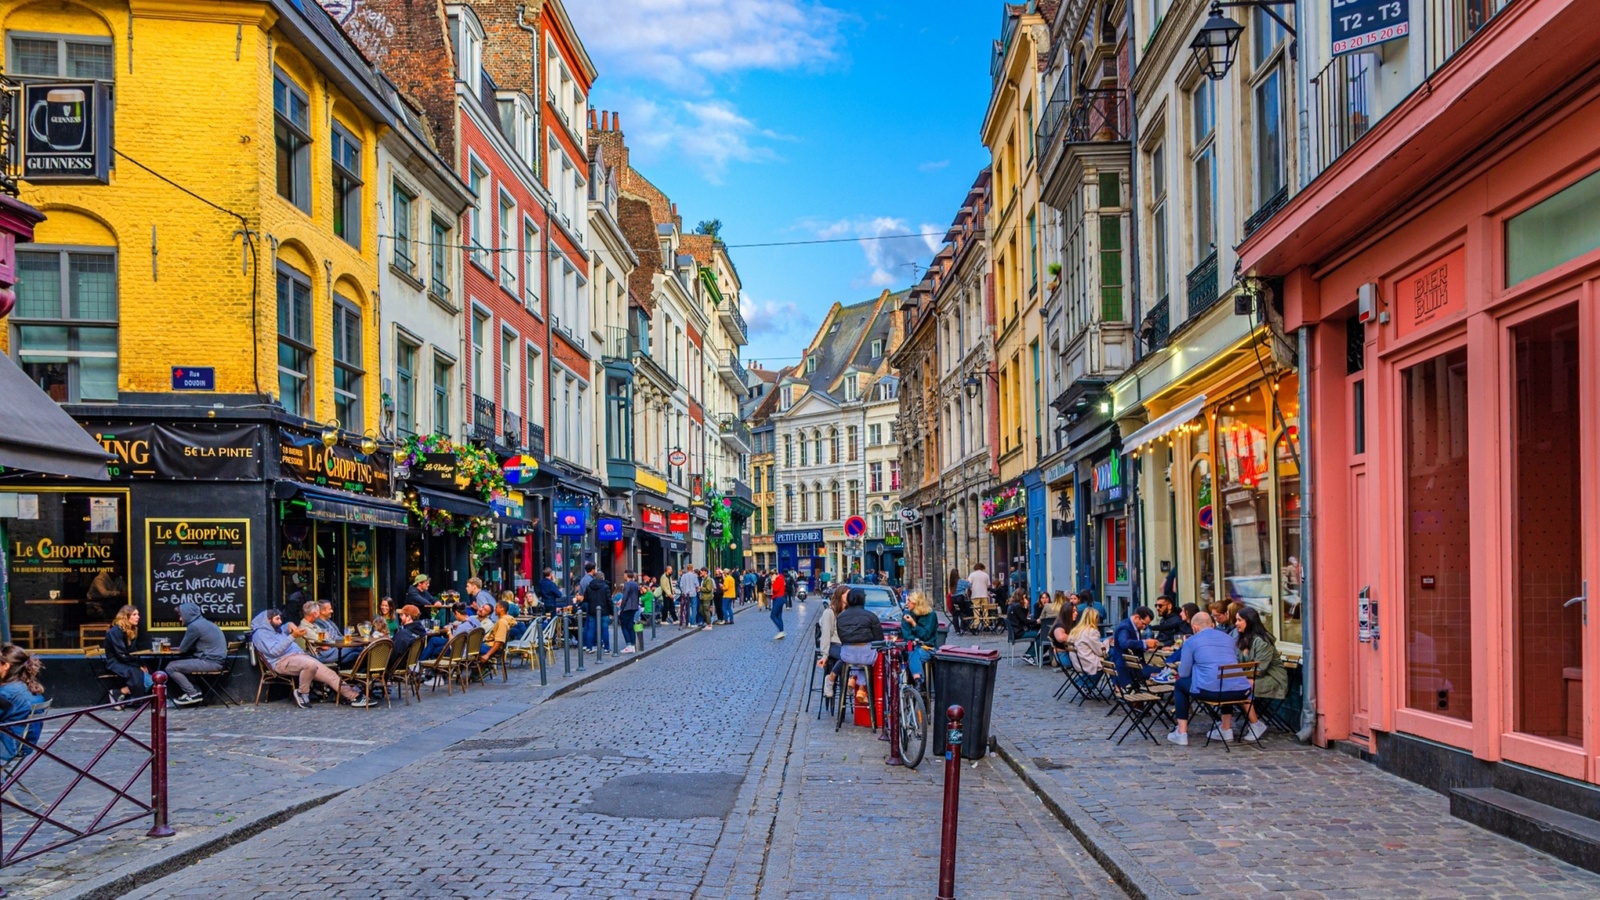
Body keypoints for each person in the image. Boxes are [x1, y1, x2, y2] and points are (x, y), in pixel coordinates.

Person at [249, 610, 371, 708]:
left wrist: (290, 624)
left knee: (330, 674)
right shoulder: (260, 635)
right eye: (277, 619)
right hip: (281, 661)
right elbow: (274, 651)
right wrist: (292, 637)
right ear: (268, 621)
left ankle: (354, 696)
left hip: (299, 656)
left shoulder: (276, 629)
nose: (280, 622)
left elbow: (286, 626)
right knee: (310, 665)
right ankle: (302, 693)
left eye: (280, 618)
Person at [1167, 612, 1250, 745]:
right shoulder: (1229, 638)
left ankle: (1181, 732)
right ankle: (1226, 728)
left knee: (1180, 684)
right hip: (1239, 691)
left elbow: (1183, 673)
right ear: (1212, 625)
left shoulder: (1191, 641)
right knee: (1225, 680)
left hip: (1210, 692)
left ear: (1194, 627)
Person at [1235, 607, 1284, 742]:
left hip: (1272, 679)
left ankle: (1256, 724)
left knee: (1240, 686)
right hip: (1250, 677)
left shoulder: (1262, 641)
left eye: (1239, 620)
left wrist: (1238, 676)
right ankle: (1224, 725)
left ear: (1249, 621)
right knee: (1230, 684)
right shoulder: (1243, 639)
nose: (1236, 623)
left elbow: (1260, 669)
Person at [166, 601, 227, 707]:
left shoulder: (194, 626)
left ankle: (193, 693)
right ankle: (196, 692)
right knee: (185, 665)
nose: (180, 619)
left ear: (187, 614)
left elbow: (183, 649)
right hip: (219, 662)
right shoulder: (206, 623)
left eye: (181, 616)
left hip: (210, 662)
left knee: (171, 667)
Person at [835, 589, 883, 706]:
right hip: (865, 654)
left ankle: (853, 677)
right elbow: (879, 640)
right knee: (866, 657)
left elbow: (842, 638)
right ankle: (861, 687)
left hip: (847, 655)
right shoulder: (871, 616)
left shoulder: (841, 617)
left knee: (857, 657)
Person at [0, 644, 46, 763]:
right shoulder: (28, 687)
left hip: (8, 746)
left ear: (6, 666)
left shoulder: (7, 693)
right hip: (26, 744)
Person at [103, 605, 151, 704]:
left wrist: (141, 664)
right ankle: (121, 694)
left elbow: (133, 651)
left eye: (138, 614)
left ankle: (122, 694)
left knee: (150, 677)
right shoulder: (115, 631)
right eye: (134, 614)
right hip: (116, 662)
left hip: (127, 661)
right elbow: (121, 653)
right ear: (125, 616)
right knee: (147, 680)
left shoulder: (132, 630)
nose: (138, 617)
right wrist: (138, 666)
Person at [1111, 606, 1159, 686]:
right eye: (1144, 624)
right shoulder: (1125, 627)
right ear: (1136, 617)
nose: (1144, 627)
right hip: (1128, 668)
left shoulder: (1133, 626)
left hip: (1134, 665)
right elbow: (1124, 643)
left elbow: (1133, 645)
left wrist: (1146, 647)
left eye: (1147, 625)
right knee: (1163, 672)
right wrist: (1145, 643)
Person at [898, 591, 938, 684]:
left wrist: (913, 623)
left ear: (917, 603)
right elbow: (907, 635)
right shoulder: (907, 614)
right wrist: (915, 641)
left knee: (914, 653)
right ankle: (918, 681)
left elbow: (926, 635)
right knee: (912, 651)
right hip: (912, 647)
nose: (907, 602)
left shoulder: (931, 615)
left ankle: (918, 681)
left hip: (928, 647)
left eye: (909, 600)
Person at [816, 588, 845, 698]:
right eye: (847, 594)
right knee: (847, 655)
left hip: (845, 645)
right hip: (833, 644)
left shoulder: (848, 612)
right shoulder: (829, 612)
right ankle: (831, 679)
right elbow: (826, 635)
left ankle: (852, 682)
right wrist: (824, 655)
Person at [319, 601, 361, 666]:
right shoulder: (318, 624)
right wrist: (348, 638)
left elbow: (338, 635)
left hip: (338, 648)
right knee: (357, 646)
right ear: (322, 611)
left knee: (357, 654)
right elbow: (330, 638)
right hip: (329, 653)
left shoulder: (329, 621)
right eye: (330, 609)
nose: (332, 611)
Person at [1067, 607, 1105, 678]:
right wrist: (1107, 643)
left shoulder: (1075, 631)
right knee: (1113, 655)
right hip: (1088, 663)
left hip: (1077, 663)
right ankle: (1117, 684)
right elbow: (1100, 651)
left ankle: (1117, 685)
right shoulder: (1091, 632)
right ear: (1095, 618)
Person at [582, 567, 612, 651]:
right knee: (605, 629)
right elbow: (609, 600)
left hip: (592, 610)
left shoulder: (589, 586)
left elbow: (586, 599)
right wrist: (612, 611)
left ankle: (589, 647)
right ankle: (606, 648)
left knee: (591, 629)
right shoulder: (605, 587)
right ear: (603, 578)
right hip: (604, 611)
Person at [481, 599, 516, 667]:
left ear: (502, 609)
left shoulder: (502, 622)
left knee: (467, 648)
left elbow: (499, 641)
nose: (495, 609)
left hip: (491, 647)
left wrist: (487, 655)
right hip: (490, 645)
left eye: (496, 607)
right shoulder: (503, 620)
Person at [618, 572, 641, 653]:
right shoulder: (635, 584)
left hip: (627, 608)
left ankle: (628, 645)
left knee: (624, 626)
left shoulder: (627, 584)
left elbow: (625, 597)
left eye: (624, 574)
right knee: (630, 625)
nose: (623, 576)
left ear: (626, 575)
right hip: (634, 607)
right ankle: (633, 644)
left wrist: (621, 608)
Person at [769, 569, 787, 640]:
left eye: (771, 576)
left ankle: (781, 631)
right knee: (779, 616)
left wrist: (773, 582)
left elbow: (776, 589)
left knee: (773, 615)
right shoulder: (781, 578)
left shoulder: (778, 579)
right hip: (780, 598)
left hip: (778, 598)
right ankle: (781, 631)